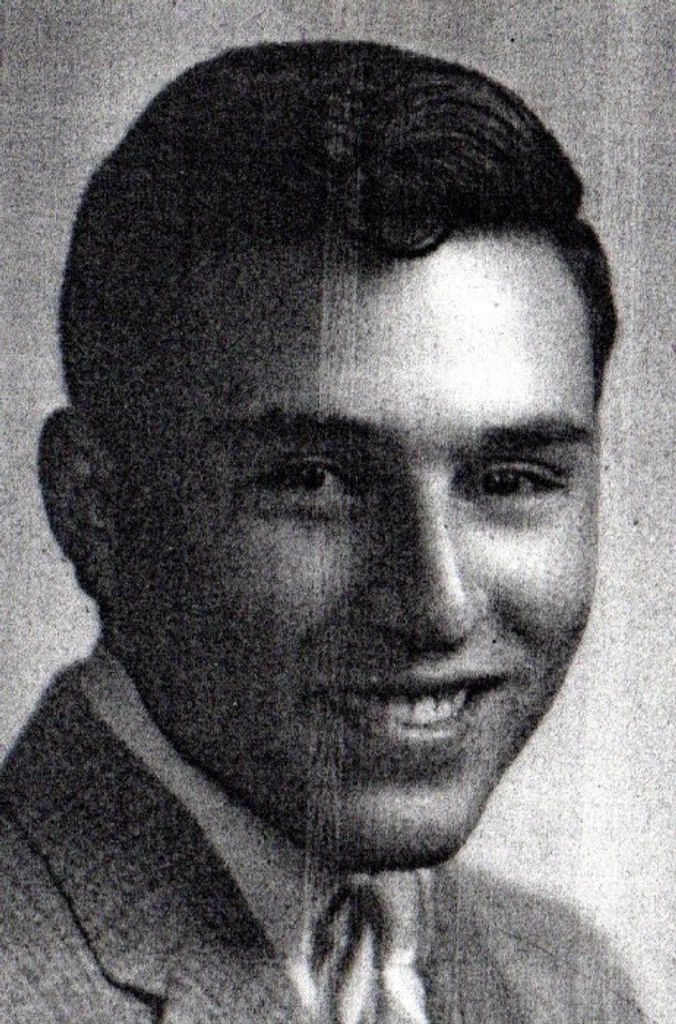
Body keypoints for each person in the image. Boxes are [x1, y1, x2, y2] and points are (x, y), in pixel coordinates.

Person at [0, 40, 645, 1023]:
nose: (437, 606)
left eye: (510, 480)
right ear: (92, 506)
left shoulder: (570, 985)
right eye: (315, 481)